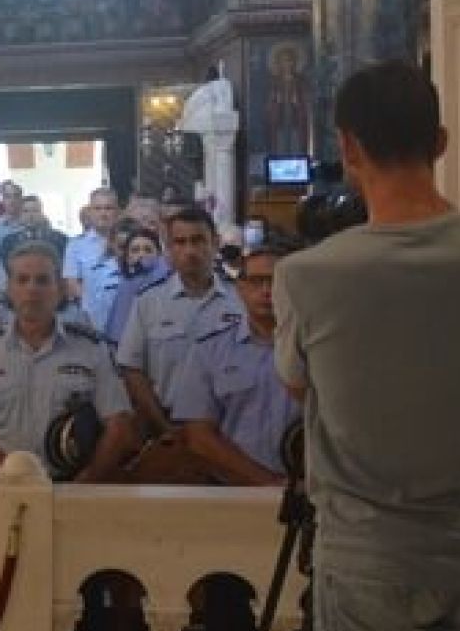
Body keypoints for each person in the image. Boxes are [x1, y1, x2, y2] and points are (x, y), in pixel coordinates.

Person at [273, 61, 460, 631]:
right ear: (441, 140)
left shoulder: (310, 276)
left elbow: (298, 384)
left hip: (367, 552)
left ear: (347, 147)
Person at [0, 242, 137, 480]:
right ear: (9, 289)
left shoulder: (92, 350)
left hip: (73, 488)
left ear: (60, 289)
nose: (32, 289)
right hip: (3, 486)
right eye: (22, 280)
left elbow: (117, 424)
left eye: (42, 280)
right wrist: (16, 483)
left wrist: (87, 482)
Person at [168, 245, 297, 486]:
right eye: (256, 281)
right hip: (232, 490)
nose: (266, 290)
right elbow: (198, 435)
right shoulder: (209, 351)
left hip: (309, 490)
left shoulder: (315, 351)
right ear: (240, 288)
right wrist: (267, 482)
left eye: (276, 281)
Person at [116, 208, 242, 438]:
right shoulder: (148, 302)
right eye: (180, 242)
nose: (190, 251)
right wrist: (162, 425)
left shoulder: (240, 301)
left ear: (215, 243)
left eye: (198, 240)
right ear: (168, 249)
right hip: (166, 425)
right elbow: (132, 369)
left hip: (229, 429)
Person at [63, 187, 119, 305]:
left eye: (108, 208)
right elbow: (71, 282)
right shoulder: (76, 246)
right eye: (97, 208)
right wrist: (93, 304)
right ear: (90, 212)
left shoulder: (129, 242)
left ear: (117, 211)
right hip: (89, 311)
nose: (103, 213)